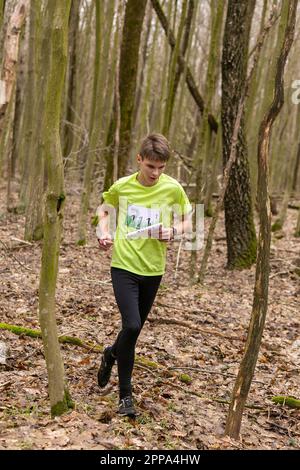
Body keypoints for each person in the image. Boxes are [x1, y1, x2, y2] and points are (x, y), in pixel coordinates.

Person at [96, 133, 192, 417]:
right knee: (133, 325)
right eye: (151, 166)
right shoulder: (122, 186)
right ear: (139, 160)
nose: (155, 173)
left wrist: (173, 231)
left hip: (153, 269)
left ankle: (111, 354)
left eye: (161, 167)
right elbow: (104, 209)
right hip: (124, 265)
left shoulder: (173, 189)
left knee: (131, 333)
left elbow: (189, 220)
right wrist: (103, 231)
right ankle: (126, 396)